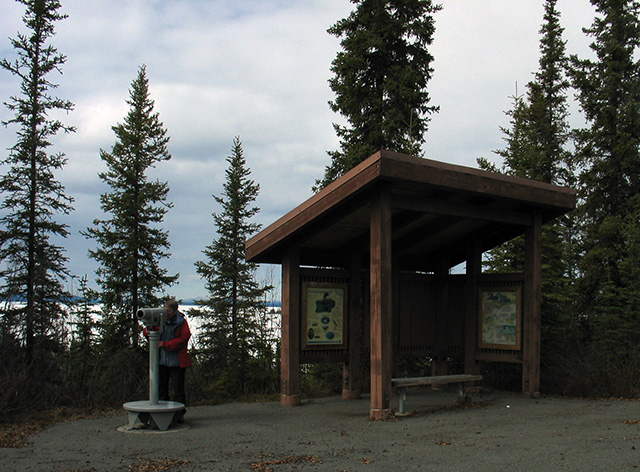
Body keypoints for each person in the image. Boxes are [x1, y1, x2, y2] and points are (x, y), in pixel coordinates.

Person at [158, 299, 192, 422]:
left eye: (168, 311)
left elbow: (184, 338)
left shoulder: (181, 323)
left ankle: (178, 414)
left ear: (174, 311)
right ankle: (163, 413)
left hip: (176, 361)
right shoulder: (160, 320)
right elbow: (149, 332)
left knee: (178, 389)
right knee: (162, 388)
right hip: (162, 361)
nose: (165, 313)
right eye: (165, 310)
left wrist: (166, 344)